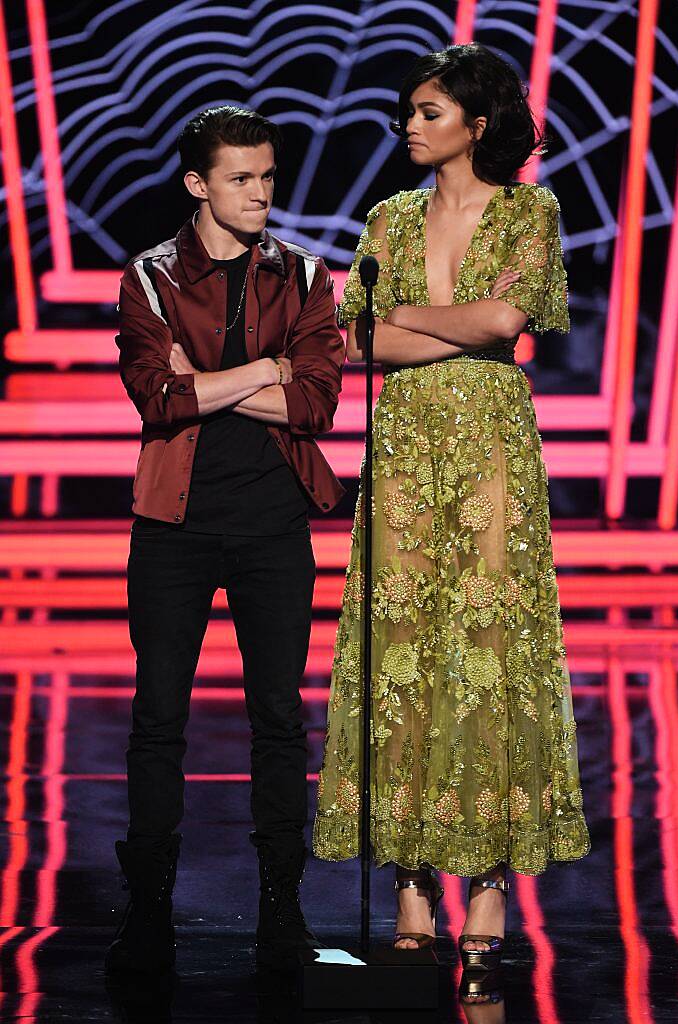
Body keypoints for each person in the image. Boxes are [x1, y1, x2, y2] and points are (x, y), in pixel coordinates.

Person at [313, 43, 590, 966]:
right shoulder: (388, 219)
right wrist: (453, 326)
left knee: (487, 651)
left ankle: (487, 885)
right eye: (409, 111)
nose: (411, 126)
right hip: (402, 449)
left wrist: (419, 323)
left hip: (490, 452)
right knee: (403, 657)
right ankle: (410, 877)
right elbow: (358, 337)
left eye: (430, 112)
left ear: (478, 123)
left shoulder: (529, 211)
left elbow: (506, 326)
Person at [107, 105, 345, 972]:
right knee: (158, 717)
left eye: (268, 176)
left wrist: (205, 380)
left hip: (275, 523)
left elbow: (317, 405)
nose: (260, 193)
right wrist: (263, 370)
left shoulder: (307, 275)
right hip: (174, 525)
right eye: (241, 178)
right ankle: (148, 912)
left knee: (280, 720)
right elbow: (156, 400)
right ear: (197, 184)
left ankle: (282, 907)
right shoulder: (152, 276)